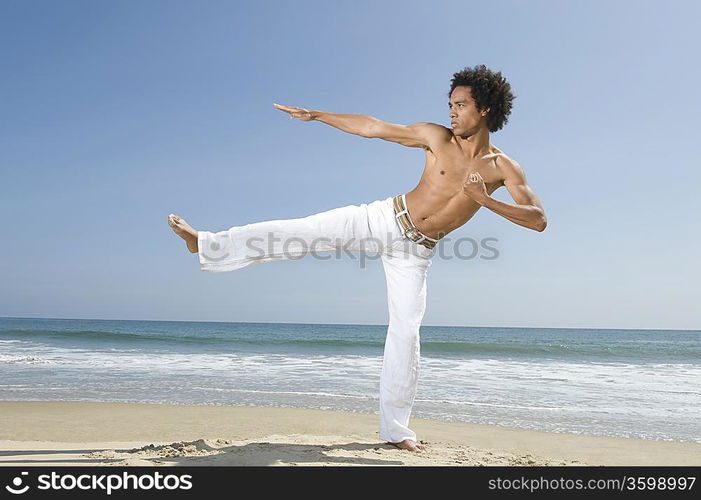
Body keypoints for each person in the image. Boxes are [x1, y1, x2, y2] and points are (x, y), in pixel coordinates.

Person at [168, 64, 547, 452]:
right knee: (303, 231)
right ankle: (207, 243)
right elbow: (372, 126)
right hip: (383, 218)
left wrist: (486, 200)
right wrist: (318, 116)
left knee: (405, 332)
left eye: (460, 105)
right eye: (450, 104)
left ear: (484, 109)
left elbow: (538, 220)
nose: (451, 112)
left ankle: (396, 430)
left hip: (415, 252)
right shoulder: (436, 137)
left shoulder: (502, 167)